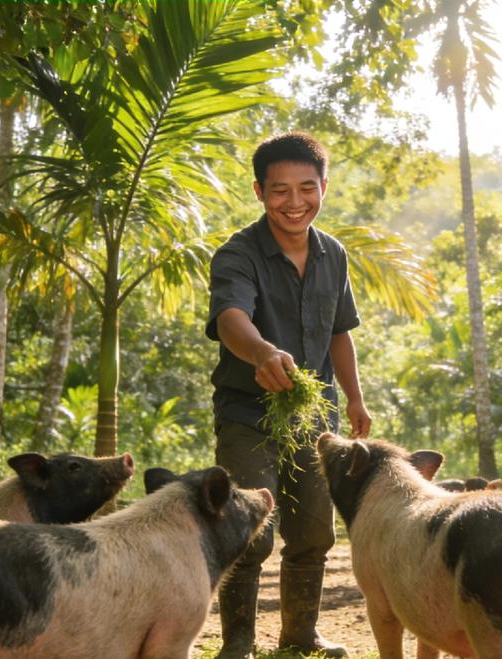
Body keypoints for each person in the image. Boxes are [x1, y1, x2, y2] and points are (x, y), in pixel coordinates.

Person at [206, 132, 371, 658]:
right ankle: (238, 643)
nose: (294, 202)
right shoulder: (238, 253)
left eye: (306, 188)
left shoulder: (333, 254)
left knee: (314, 533)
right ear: (259, 191)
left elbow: (339, 330)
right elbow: (231, 317)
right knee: (248, 529)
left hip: (315, 415)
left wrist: (354, 397)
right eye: (280, 190)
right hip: (246, 414)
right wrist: (260, 355)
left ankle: (301, 635)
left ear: (324, 186)